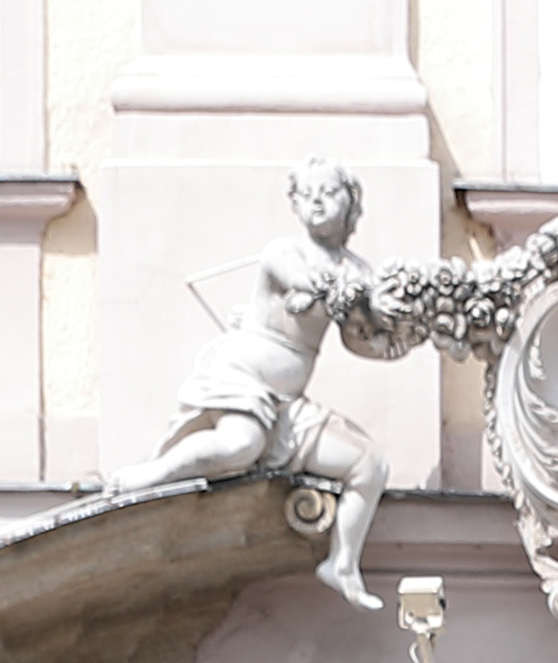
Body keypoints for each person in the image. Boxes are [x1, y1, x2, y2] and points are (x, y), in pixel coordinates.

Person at [106, 160, 402, 612]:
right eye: (307, 194)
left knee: (370, 464)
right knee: (240, 444)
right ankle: (153, 473)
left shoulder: (356, 271)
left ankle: (341, 564)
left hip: (288, 405)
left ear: (351, 202)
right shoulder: (283, 252)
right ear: (296, 205)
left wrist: (388, 338)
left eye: (329, 191)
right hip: (242, 377)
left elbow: (356, 339)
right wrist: (372, 299)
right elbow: (311, 287)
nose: (317, 200)